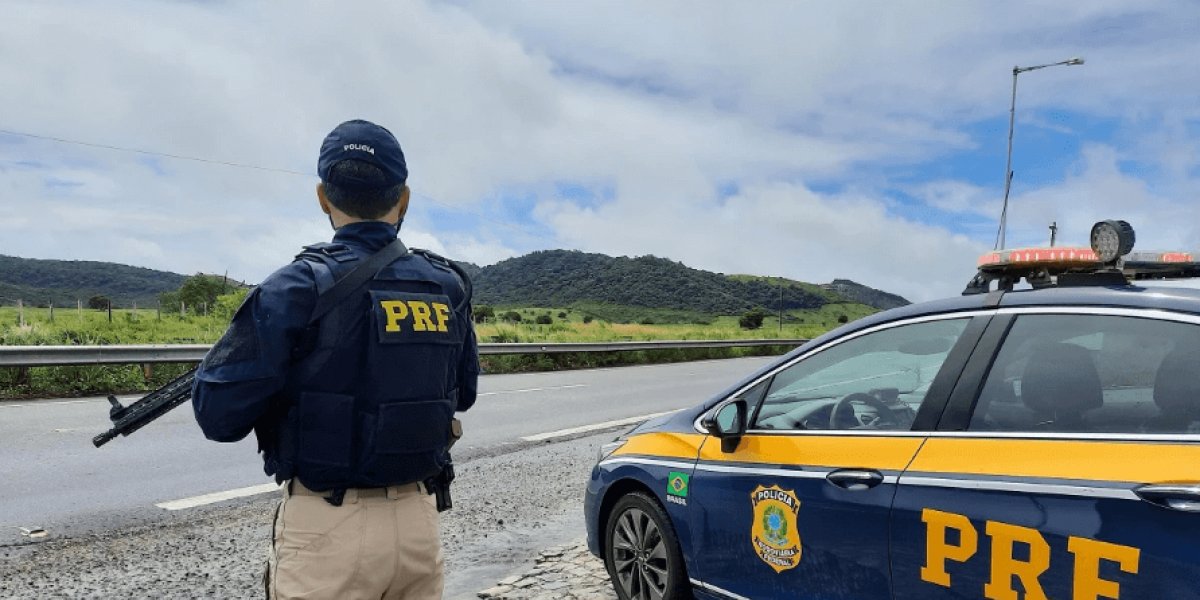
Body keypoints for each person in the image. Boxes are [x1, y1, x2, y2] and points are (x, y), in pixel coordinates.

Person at [192, 119, 479, 599]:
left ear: (323, 197)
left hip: (327, 529)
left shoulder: (293, 289)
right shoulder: (446, 285)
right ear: (403, 198)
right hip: (418, 525)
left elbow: (218, 417)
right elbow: (463, 395)